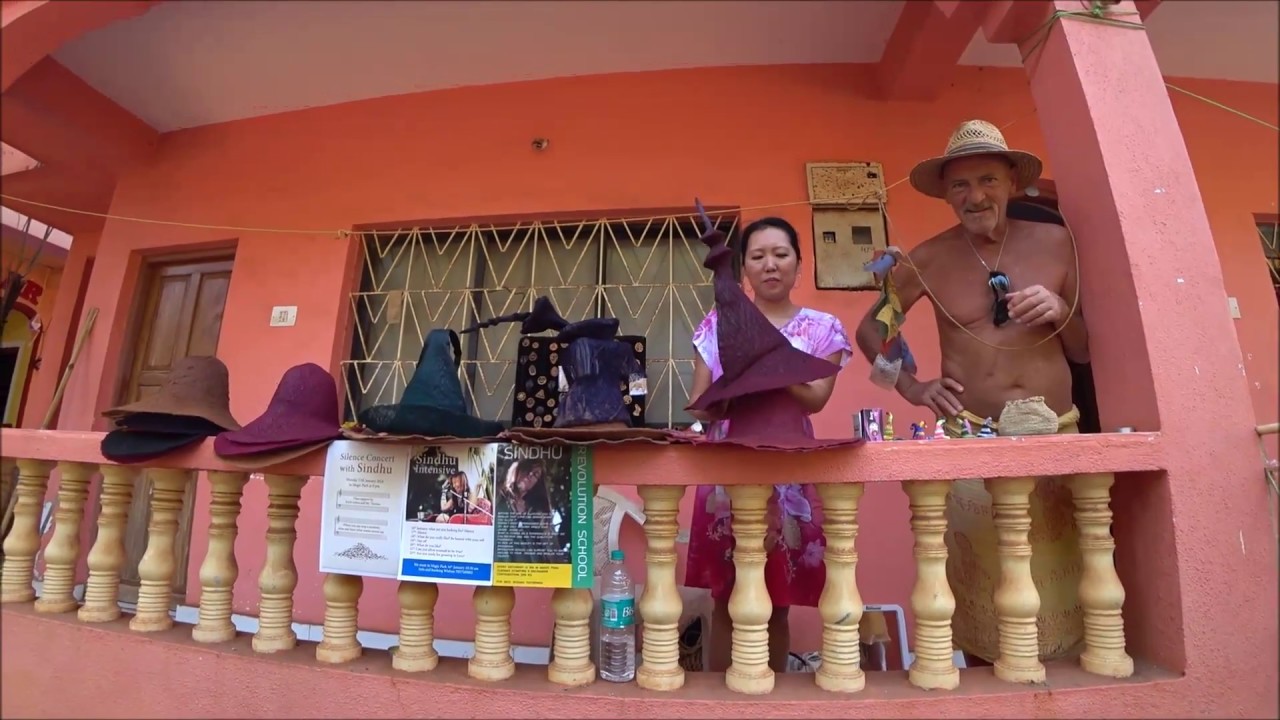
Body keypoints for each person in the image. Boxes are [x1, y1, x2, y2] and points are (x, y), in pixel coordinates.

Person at [853, 119, 1089, 665]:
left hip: (1056, 433)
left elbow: (1082, 349)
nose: (975, 196)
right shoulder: (928, 259)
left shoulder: (1058, 244)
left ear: (1012, 183)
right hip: (972, 436)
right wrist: (911, 388)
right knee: (984, 588)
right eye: (960, 185)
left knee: (1064, 583)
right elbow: (870, 330)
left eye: (987, 180)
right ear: (946, 194)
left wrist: (1059, 311)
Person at [685, 216, 852, 673]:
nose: (770, 265)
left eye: (781, 254)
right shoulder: (718, 322)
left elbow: (816, 398)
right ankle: (723, 697)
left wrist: (767, 358)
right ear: (744, 269)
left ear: (799, 264)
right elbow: (701, 404)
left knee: (777, 598)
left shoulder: (823, 327)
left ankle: (771, 694)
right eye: (757, 256)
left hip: (787, 474)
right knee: (726, 596)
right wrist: (727, 394)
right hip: (727, 471)